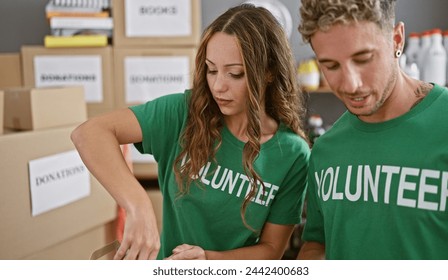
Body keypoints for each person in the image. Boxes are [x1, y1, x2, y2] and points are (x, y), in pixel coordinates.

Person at [71, 3, 310, 260]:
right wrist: (138, 205)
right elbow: (89, 133)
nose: (218, 86)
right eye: (211, 69)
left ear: (269, 73)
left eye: (235, 73)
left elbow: (272, 250)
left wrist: (208, 260)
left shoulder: (293, 154)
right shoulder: (182, 113)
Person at [297, 0, 448, 260]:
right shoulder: (325, 150)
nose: (350, 84)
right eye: (331, 66)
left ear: (397, 39)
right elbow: (317, 244)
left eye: (363, 59)